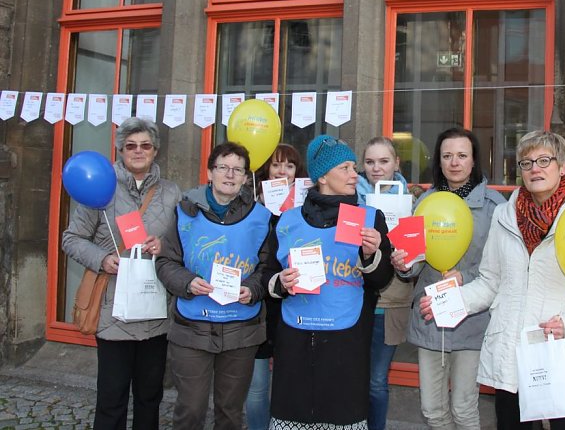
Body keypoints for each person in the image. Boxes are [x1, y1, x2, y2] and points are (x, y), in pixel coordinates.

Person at [422, 131, 565, 430]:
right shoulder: (505, 216)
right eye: (526, 162)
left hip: (562, 355)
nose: (535, 169)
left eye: (544, 160)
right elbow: (490, 282)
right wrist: (450, 302)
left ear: (563, 166)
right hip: (512, 356)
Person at [263, 134, 395, 429]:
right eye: (344, 168)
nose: (354, 174)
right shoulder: (287, 220)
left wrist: (371, 255)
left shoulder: (370, 218)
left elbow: (381, 279)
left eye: (353, 167)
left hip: (346, 341)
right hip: (295, 339)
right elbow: (267, 274)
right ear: (322, 176)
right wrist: (280, 282)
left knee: (341, 416)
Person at [62, 117, 181, 430]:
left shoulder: (171, 193)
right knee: (111, 399)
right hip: (113, 314)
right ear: (121, 151)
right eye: (131, 146)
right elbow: (71, 239)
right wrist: (102, 259)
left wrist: (164, 246)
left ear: (155, 150)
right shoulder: (101, 188)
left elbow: (183, 242)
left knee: (149, 398)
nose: (138, 151)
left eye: (145, 145)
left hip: (155, 312)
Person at [392, 127, 505, 430]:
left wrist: (464, 277)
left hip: (473, 319)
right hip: (431, 317)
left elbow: (502, 266)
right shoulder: (424, 203)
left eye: (462, 155)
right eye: (447, 156)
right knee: (432, 411)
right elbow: (414, 262)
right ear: (439, 161)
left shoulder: (495, 207)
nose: (454, 162)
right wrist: (404, 265)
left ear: (474, 160)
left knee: (464, 409)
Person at [156, 142, 274, 430]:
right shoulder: (184, 211)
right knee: (190, 409)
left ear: (246, 178)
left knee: (230, 412)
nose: (230, 175)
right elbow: (166, 262)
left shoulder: (261, 217)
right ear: (210, 172)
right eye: (223, 167)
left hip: (241, 329)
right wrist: (187, 282)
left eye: (238, 170)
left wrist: (253, 289)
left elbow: (267, 267)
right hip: (192, 327)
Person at [356, 137, 416, 430]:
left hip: (390, 304)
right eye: (370, 162)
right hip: (354, 300)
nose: (376, 168)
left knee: (377, 381)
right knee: (352, 378)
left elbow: (414, 262)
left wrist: (404, 262)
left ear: (396, 164)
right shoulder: (350, 200)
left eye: (383, 161)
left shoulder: (411, 203)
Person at [246, 143, 307, 430]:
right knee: (257, 386)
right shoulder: (250, 203)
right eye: (277, 164)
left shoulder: (306, 207)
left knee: (289, 381)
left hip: (293, 300)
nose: (283, 171)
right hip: (258, 302)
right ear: (266, 169)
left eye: (290, 165)